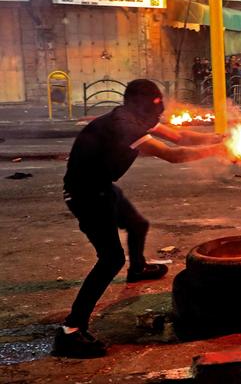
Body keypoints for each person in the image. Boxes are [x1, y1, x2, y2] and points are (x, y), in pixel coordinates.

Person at [52, 79, 230, 358]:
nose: (158, 115)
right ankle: (70, 331)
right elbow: (174, 154)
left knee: (138, 224)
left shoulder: (135, 117)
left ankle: (138, 268)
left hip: (102, 187)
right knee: (110, 260)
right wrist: (220, 152)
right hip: (85, 196)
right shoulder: (124, 126)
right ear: (140, 105)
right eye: (154, 108)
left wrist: (220, 138)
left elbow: (181, 137)